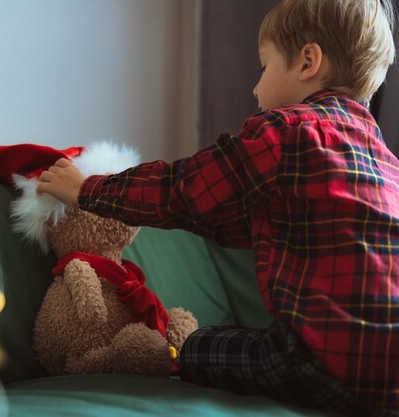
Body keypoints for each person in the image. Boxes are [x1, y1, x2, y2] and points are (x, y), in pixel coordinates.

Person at [36, 0, 398, 415]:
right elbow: (238, 221)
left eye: (263, 67)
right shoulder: (384, 162)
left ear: (307, 62)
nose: (256, 89)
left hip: (323, 365)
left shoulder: (286, 131)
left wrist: (88, 189)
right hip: (390, 379)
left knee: (199, 344)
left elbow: (183, 189)